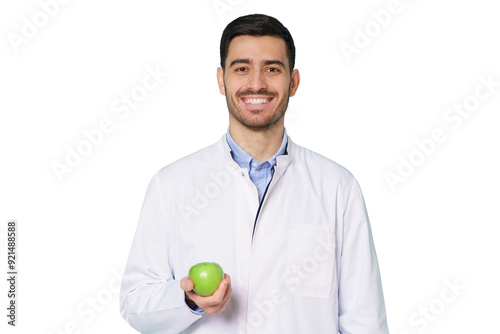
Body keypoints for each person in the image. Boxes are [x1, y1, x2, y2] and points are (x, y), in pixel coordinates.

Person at [120, 13, 389, 334]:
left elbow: (365, 319)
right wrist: (188, 301)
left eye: (272, 69)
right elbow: (135, 301)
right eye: (242, 68)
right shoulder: (172, 185)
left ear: (294, 81)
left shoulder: (337, 187)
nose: (257, 83)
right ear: (222, 80)